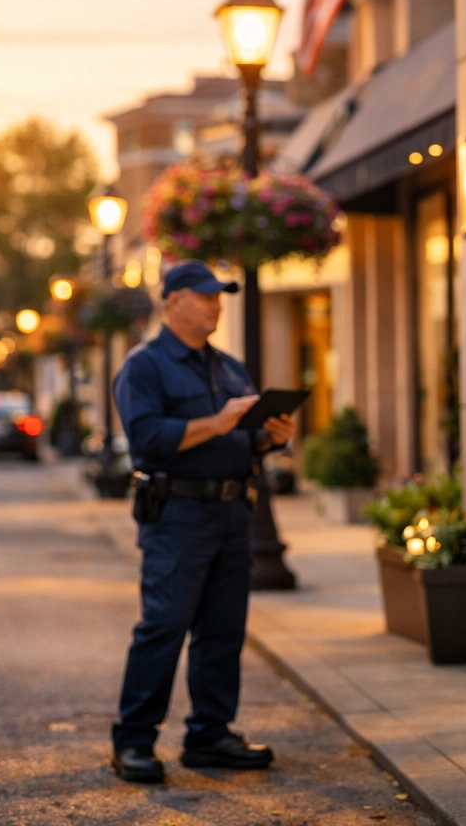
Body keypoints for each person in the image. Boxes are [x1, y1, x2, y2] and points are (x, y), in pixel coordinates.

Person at [109, 260, 296, 784]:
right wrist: (217, 422)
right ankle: (133, 741)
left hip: (233, 512)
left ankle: (210, 735)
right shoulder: (145, 366)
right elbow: (147, 438)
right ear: (173, 302)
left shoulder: (230, 367)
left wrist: (270, 437)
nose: (216, 306)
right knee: (164, 626)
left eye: (219, 297)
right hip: (178, 514)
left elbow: (245, 438)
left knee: (222, 629)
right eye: (205, 296)